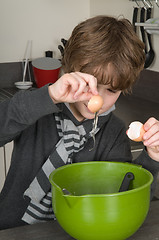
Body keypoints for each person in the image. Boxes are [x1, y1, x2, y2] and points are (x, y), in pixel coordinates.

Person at [0, 15, 159, 230]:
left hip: (77, 231)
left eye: (111, 90)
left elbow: (123, 198)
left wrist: (152, 159)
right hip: (13, 230)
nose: (98, 98)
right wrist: (50, 96)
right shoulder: (37, 108)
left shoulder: (113, 133)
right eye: (90, 82)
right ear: (69, 68)